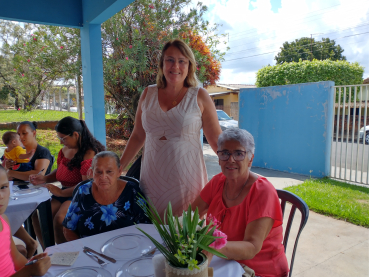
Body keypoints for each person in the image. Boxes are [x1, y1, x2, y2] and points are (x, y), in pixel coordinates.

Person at [120, 39, 222, 219]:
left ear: (189, 66)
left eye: (182, 60)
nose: (175, 66)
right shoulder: (148, 94)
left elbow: (216, 140)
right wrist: (118, 167)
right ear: (162, 64)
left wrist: (237, 170)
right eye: (170, 60)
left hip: (186, 182)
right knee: (151, 235)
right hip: (152, 180)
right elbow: (138, 135)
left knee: (184, 237)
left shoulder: (199, 96)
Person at [192, 128, 289, 277]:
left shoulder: (263, 191)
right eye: (224, 153)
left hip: (258, 270)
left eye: (239, 153)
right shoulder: (218, 182)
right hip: (224, 261)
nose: (230, 159)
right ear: (218, 158)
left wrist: (211, 244)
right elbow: (191, 214)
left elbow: (251, 247)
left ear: (250, 159)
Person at [30, 116, 105, 247]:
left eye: (63, 138)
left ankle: (65, 254)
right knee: (38, 215)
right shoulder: (65, 150)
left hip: (78, 195)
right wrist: (45, 178)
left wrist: (59, 192)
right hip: (63, 193)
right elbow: (61, 171)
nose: (61, 142)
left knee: (60, 220)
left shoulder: (89, 153)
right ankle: (48, 249)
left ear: (76, 135)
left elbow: (85, 186)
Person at [62, 151, 150, 240]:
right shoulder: (83, 191)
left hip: (126, 250)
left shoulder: (132, 191)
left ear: (119, 171)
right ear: (92, 172)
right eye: (98, 172)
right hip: (90, 251)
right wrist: (83, 251)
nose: (103, 177)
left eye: (109, 171)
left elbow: (146, 228)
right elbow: (68, 229)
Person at [2, 121, 53, 259]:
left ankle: (45, 251)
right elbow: (3, 171)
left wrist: (11, 173)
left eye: (24, 133)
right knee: (6, 211)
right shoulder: (13, 151)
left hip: (36, 192)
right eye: (19, 134)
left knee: (33, 215)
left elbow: (37, 175)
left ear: (34, 133)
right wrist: (6, 166)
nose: (21, 137)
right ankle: (18, 249)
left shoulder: (42, 152)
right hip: (15, 191)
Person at [0, 165, 51, 277]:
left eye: (3, 187)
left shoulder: (3, 219)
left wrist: (31, 266)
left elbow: (16, 258)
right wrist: (29, 271)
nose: (0, 196)